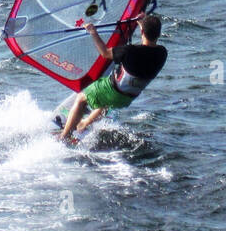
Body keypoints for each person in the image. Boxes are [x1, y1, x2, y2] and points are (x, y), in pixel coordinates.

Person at [56, 14, 167, 144]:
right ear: (158, 34)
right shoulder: (162, 53)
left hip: (113, 90)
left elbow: (104, 53)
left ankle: (64, 136)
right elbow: (147, 42)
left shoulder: (129, 51)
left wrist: (93, 32)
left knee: (81, 98)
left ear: (142, 31)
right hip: (128, 98)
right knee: (105, 101)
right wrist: (143, 22)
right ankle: (84, 124)